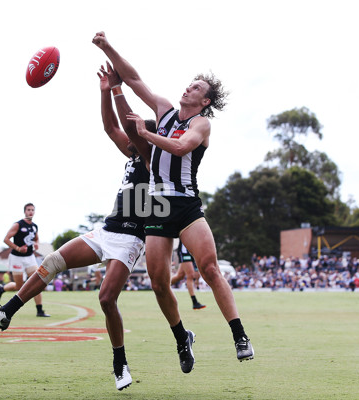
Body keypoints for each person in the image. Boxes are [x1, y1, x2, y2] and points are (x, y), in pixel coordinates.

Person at [0, 65, 154, 391]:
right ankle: (6, 313)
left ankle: (120, 363)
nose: (130, 133)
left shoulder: (150, 157)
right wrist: (104, 89)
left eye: (138, 131)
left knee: (105, 299)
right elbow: (110, 126)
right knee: (53, 260)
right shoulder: (132, 153)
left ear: (145, 137)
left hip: (131, 237)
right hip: (108, 229)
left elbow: (126, 121)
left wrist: (118, 90)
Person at [93, 31, 254, 366]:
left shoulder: (201, 123)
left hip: (185, 205)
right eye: (189, 84)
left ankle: (239, 334)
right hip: (157, 205)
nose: (188, 88)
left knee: (209, 268)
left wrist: (146, 133)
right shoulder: (165, 108)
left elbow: (181, 147)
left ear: (205, 100)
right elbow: (134, 78)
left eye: (196, 88)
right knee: (158, 284)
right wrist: (107, 47)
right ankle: (182, 337)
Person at [0, 203, 50, 318]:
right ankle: (2, 289)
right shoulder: (18, 225)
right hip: (16, 258)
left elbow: (36, 238)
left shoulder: (34, 226)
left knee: (36, 282)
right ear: (25, 211)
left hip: (29, 258)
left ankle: (40, 310)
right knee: (19, 286)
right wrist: (18, 248)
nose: (30, 212)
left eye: (32, 210)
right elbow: (6, 239)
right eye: (28, 210)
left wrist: (37, 244)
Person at [172, 241, 206, 310]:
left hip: (190, 252)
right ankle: (194, 302)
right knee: (190, 275)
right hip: (184, 252)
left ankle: (162, 286)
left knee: (180, 275)